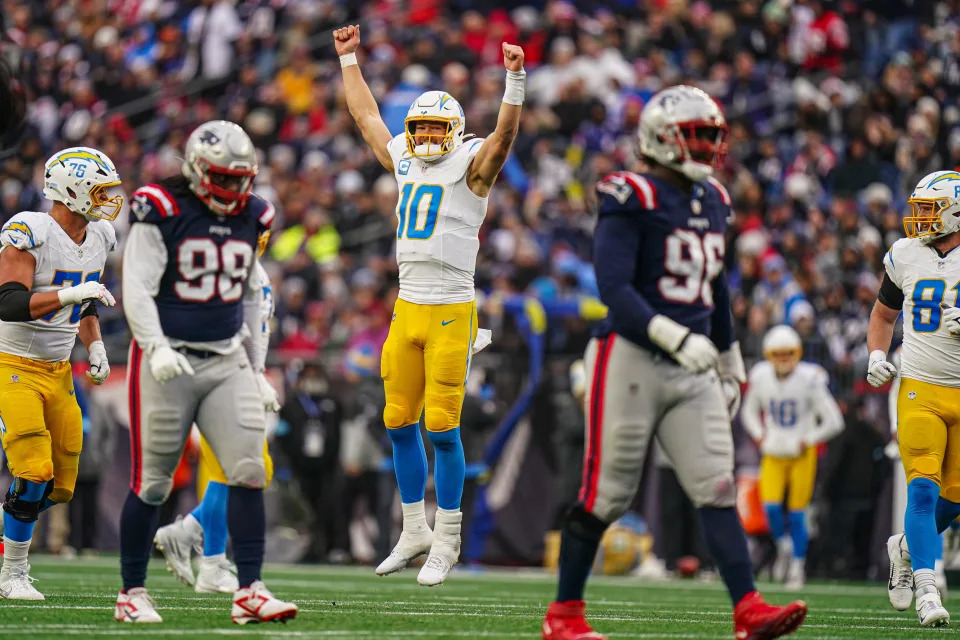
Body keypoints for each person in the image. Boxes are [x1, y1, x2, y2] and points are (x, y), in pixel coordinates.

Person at [541, 85, 808, 640]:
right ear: (660, 137)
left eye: (713, 136)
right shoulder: (629, 193)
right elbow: (614, 289)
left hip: (693, 361)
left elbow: (713, 289)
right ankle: (564, 614)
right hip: (631, 356)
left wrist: (730, 357)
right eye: (697, 135)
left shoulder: (714, 200)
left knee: (715, 485)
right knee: (605, 495)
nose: (708, 147)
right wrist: (673, 336)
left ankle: (748, 608)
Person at [333, 24, 523, 586]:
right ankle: (413, 529)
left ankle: (447, 538)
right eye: (420, 128)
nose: (427, 138)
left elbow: (504, 139)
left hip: (451, 309)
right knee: (396, 422)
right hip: (407, 306)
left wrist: (514, 79)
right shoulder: (406, 161)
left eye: (439, 128)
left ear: (458, 130)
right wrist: (349, 61)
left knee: (442, 429)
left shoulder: (472, 166)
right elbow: (367, 118)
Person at [116, 120, 295, 624]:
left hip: (225, 357)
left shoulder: (256, 215)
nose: (235, 189)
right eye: (224, 177)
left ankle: (250, 590)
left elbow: (251, 296)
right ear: (197, 170)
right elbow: (138, 288)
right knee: (152, 483)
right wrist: (154, 348)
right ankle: (132, 593)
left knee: (248, 470)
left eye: (242, 179)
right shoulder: (161, 208)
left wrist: (257, 369)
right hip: (168, 358)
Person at [0, 147, 120, 599]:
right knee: (33, 470)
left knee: (64, 486)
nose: (109, 198)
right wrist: (71, 297)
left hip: (58, 369)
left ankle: (9, 520)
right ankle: (12, 574)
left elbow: (86, 300)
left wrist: (96, 345)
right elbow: (8, 303)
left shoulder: (100, 235)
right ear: (72, 190)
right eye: (100, 189)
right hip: (11, 364)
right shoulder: (30, 230)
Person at [152, 254, 278, 595]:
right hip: (223, 377)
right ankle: (207, 557)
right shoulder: (229, 264)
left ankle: (200, 547)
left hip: (238, 377)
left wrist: (257, 376)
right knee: (236, 470)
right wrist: (253, 376)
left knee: (242, 471)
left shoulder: (249, 268)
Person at [866, 170, 960, 628]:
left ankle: (903, 547)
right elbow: (883, 314)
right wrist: (877, 354)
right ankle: (926, 588)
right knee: (922, 488)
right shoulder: (904, 254)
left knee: (954, 499)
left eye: (929, 209)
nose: (919, 218)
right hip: (920, 386)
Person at [741, 324, 844, 590]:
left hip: (801, 453)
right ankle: (784, 547)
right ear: (768, 354)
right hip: (773, 451)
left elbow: (834, 421)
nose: (784, 359)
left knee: (798, 514)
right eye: (778, 354)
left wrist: (807, 439)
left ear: (797, 353)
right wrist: (760, 435)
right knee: (771, 508)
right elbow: (749, 412)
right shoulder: (761, 377)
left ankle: (797, 566)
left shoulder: (809, 379)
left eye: (789, 353)